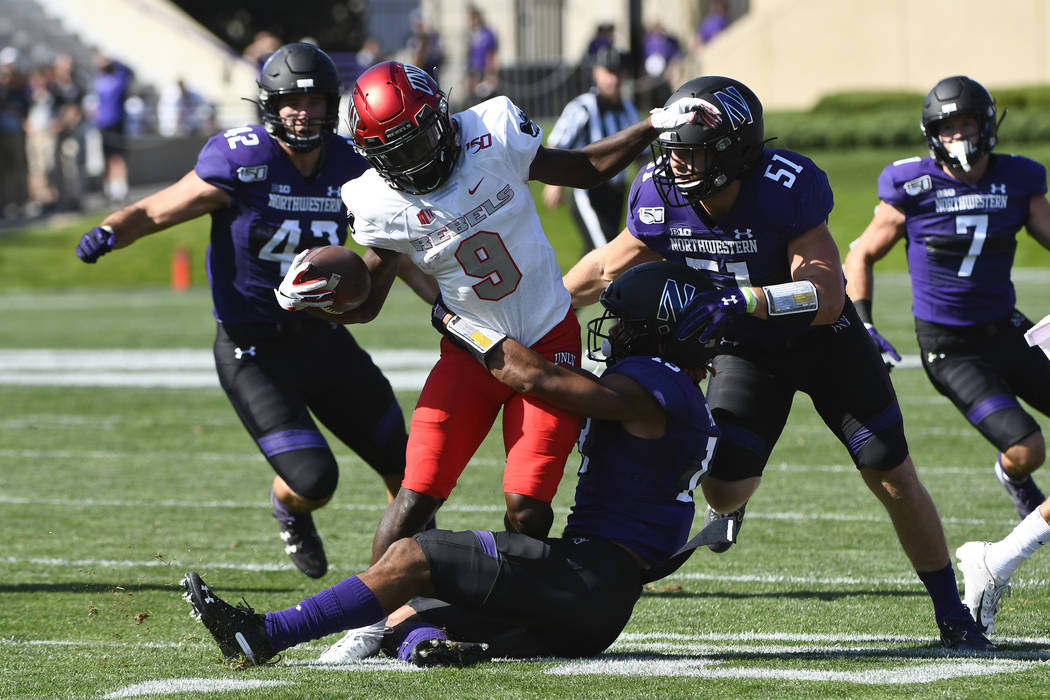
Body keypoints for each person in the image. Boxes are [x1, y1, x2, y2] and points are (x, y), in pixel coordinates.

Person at [274, 59, 706, 651]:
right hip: (471, 355)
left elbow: (581, 169)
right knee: (416, 493)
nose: (417, 154)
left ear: (442, 116)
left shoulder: (495, 129)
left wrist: (650, 125)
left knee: (528, 505)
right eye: (397, 149)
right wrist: (318, 299)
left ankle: (514, 603)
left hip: (549, 340)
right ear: (374, 153)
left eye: (422, 135)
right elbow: (367, 303)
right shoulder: (373, 199)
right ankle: (371, 622)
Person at [561, 75, 993, 651]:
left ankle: (951, 612)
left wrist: (744, 299)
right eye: (673, 151)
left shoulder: (784, 187)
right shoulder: (660, 195)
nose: (677, 165)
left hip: (825, 344)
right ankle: (737, 505)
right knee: (720, 490)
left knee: (891, 473)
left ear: (734, 151)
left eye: (691, 151)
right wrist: (539, 310)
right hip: (745, 351)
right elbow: (603, 268)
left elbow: (826, 294)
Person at [182, 261, 727, 667]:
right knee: (416, 613)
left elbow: (536, 378)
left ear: (662, 331)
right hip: (597, 602)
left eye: (627, 325)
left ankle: (264, 633)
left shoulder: (652, 382)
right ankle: (425, 648)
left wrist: (458, 321)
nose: (615, 333)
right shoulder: (681, 395)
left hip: (589, 577)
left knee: (415, 555)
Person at [73, 44, 423, 580]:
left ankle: (410, 580)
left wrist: (450, 302)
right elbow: (156, 209)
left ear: (332, 105)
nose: (301, 111)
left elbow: (399, 250)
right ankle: (288, 506)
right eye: (290, 101)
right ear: (269, 105)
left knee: (407, 466)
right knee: (314, 480)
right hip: (252, 346)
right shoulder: (241, 158)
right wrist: (110, 232)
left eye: (312, 99)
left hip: (324, 337)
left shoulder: (354, 167)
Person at [844, 75, 1050, 521]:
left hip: (1007, 328)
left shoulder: (1018, 178)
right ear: (932, 134)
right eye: (946, 127)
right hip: (950, 347)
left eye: (966, 124)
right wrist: (864, 323)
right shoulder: (912, 185)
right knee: (1028, 449)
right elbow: (860, 254)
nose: (956, 136)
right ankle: (1012, 476)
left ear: (987, 125)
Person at [543, 47, 639, 254]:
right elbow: (558, 143)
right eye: (608, 72)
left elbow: (641, 152)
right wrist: (554, 183)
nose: (613, 79)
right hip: (588, 190)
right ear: (596, 72)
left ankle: (577, 287)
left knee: (599, 249)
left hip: (617, 192)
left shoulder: (628, 109)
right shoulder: (583, 107)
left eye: (617, 73)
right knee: (604, 252)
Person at [89, 53, 132, 203]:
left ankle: (120, 187)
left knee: (118, 156)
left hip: (117, 122)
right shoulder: (99, 80)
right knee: (106, 156)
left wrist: (113, 59)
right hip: (103, 124)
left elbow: (130, 71)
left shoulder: (118, 78)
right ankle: (108, 188)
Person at [466, 6, 498, 103]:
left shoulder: (487, 33)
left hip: (484, 69)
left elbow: (491, 53)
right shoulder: (473, 34)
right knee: (473, 96)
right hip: (474, 69)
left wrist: (490, 72)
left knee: (485, 96)